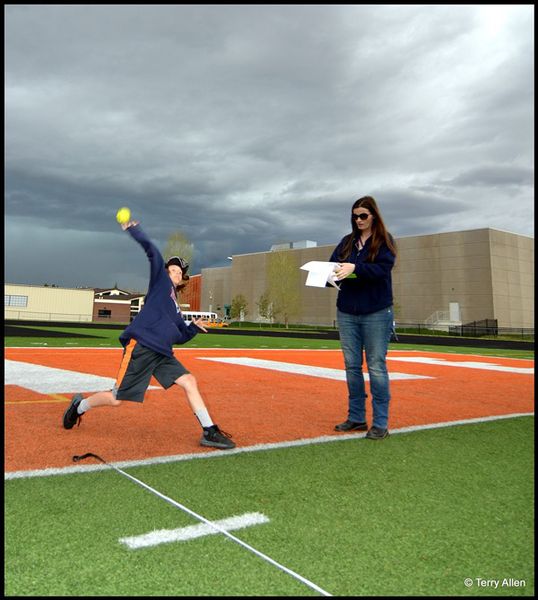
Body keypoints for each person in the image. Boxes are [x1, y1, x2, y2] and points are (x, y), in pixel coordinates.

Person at [62, 219, 235, 450]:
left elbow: (179, 337)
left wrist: (193, 327)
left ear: (182, 279)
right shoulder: (159, 284)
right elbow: (152, 253)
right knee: (116, 399)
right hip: (142, 347)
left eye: (178, 271)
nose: (173, 272)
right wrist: (134, 230)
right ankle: (79, 406)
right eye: (171, 269)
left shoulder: (175, 307)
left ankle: (209, 431)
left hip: (162, 354)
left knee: (189, 381)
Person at [330, 196, 397, 440]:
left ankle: (380, 423)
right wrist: (327, 276)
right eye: (355, 216)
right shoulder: (347, 242)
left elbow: (382, 270)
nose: (358, 220)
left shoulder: (384, 241)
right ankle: (357, 417)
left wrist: (355, 268)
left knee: (376, 367)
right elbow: (333, 267)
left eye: (363, 216)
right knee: (351, 366)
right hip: (347, 312)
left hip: (377, 312)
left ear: (373, 216)